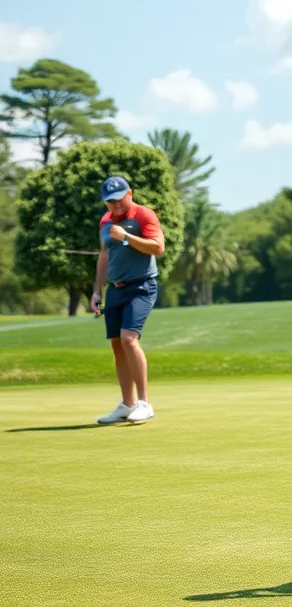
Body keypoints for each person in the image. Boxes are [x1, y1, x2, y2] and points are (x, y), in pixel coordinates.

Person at [91, 176, 166, 425]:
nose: (115, 205)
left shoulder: (144, 215)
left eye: (118, 199)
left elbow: (157, 248)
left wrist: (126, 237)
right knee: (116, 345)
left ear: (129, 194)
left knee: (129, 339)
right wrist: (96, 291)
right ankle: (127, 404)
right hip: (116, 289)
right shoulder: (105, 221)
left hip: (142, 286)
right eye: (109, 202)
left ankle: (144, 402)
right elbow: (103, 257)